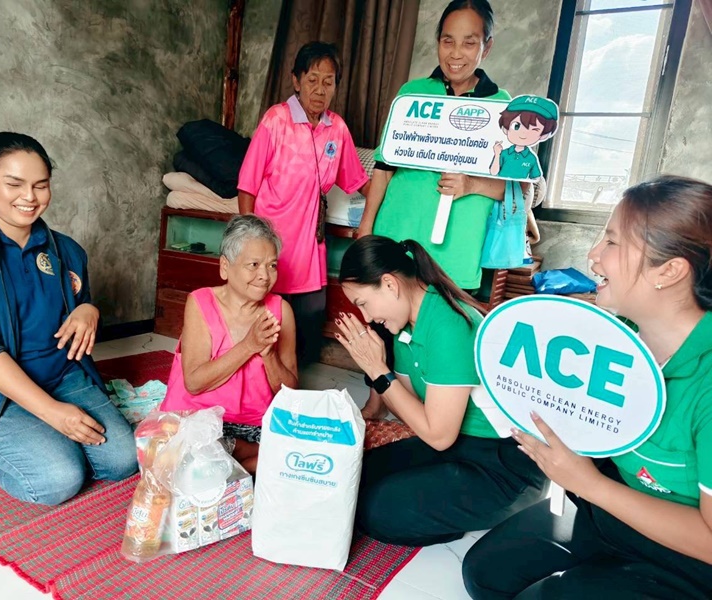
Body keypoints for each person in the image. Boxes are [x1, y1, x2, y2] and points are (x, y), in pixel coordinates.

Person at [462, 176, 712, 599]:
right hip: (613, 511)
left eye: (612, 242)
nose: (593, 256)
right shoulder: (618, 336)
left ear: (668, 271)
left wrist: (590, 484)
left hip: (690, 556)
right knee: (485, 575)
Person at [0, 132, 137, 506]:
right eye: (14, 184)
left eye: (41, 185)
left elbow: (80, 305)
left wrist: (89, 310)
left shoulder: (67, 250)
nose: (30, 197)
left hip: (62, 375)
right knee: (59, 479)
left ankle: (45, 438)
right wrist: (54, 415)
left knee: (124, 460)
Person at [334, 235, 546, 545]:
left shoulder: (449, 324)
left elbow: (437, 434)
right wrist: (375, 365)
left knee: (377, 510)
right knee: (354, 476)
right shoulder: (404, 326)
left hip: (505, 465)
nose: (366, 317)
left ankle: (475, 515)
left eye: (363, 304)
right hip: (457, 445)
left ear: (390, 284)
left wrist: (378, 370)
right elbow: (409, 409)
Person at [357, 0, 509, 291]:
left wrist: (471, 184)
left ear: (486, 47)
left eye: (469, 43)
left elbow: (516, 189)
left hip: (455, 253)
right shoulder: (411, 94)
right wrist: (366, 227)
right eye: (447, 41)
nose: (456, 53)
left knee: (442, 319)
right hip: (396, 237)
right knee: (386, 317)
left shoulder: (502, 106)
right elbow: (384, 168)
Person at [238, 41, 370, 365]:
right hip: (272, 244)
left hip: (310, 248)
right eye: (312, 80)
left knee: (307, 339)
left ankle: (293, 383)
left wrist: (395, 199)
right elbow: (247, 184)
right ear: (296, 81)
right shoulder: (276, 120)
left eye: (329, 82)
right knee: (266, 330)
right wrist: (249, 243)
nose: (320, 90)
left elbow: (359, 181)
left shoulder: (337, 129)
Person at [160, 215, 297, 474]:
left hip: (255, 426)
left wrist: (269, 355)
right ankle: (248, 463)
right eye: (253, 265)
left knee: (297, 450)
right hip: (201, 419)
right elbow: (194, 382)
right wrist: (248, 345)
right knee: (189, 451)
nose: (264, 276)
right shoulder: (200, 302)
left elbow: (290, 392)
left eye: (272, 265)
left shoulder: (281, 311)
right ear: (225, 266)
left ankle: (237, 463)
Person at [489, 95, 558, 180]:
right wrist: (497, 154)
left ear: (543, 135)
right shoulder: (503, 154)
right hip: (498, 186)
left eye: (534, 130)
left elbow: (536, 178)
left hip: (520, 188)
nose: (523, 134)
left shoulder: (531, 158)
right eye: (516, 126)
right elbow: (493, 172)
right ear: (506, 128)